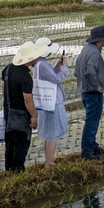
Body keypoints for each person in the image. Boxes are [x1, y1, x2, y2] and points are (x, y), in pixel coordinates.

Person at [2, 41, 41, 172]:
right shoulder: (25, 76)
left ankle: (9, 171)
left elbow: (4, 91)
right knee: (21, 144)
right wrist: (34, 116)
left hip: (8, 113)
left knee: (10, 144)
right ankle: (18, 171)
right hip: (21, 115)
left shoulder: (7, 69)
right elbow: (27, 99)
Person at [33, 37, 70, 169]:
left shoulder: (39, 64)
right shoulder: (42, 65)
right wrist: (64, 68)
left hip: (45, 102)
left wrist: (57, 66)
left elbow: (50, 77)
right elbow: (57, 79)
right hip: (53, 102)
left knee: (48, 134)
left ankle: (48, 161)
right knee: (53, 134)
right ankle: (50, 163)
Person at [76, 25, 104, 159]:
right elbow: (90, 70)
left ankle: (93, 146)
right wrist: (96, 86)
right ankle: (87, 151)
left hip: (85, 91)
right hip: (92, 93)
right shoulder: (95, 53)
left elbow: (78, 68)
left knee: (92, 120)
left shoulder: (86, 49)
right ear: (100, 40)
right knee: (92, 122)